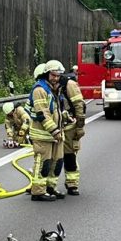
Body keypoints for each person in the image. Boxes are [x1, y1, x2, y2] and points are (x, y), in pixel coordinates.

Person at [27, 62, 65, 201]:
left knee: (57, 162)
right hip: (43, 135)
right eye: (53, 75)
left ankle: (50, 188)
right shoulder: (40, 90)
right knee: (43, 164)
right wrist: (54, 130)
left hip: (55, 134)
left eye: (58, 76)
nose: (56, 78)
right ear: (47, 74)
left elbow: (56, 111)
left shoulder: (54, 89)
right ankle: (38, 192)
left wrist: (66, 117)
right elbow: (43, 113)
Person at [54, 60, 87, 195]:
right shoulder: (48, 85)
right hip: (55, 127)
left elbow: (79, 106)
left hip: (70, 126)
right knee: (53, 157)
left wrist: (79, 127)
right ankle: (48, 186)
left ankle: (72, 184)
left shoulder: (69, 85)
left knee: (69, 156)